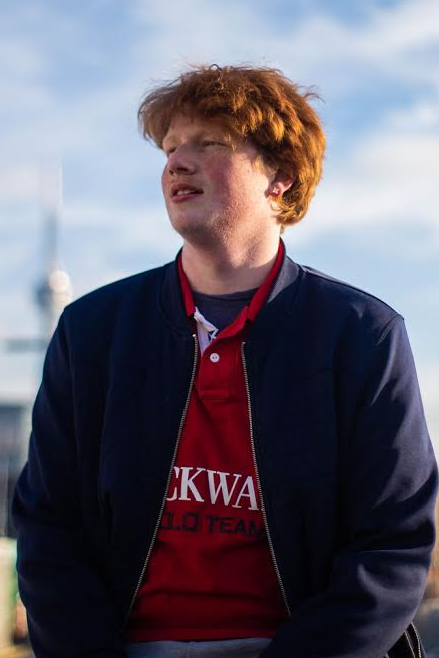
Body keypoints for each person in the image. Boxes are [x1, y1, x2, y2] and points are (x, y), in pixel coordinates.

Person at [13, 64, 437, 658]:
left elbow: (392, 542)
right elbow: (48, 527)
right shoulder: (91, 332)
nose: (176, 164)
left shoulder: (363, 334)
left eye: (209, 144)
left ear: (281, 176)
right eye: (170, 148)